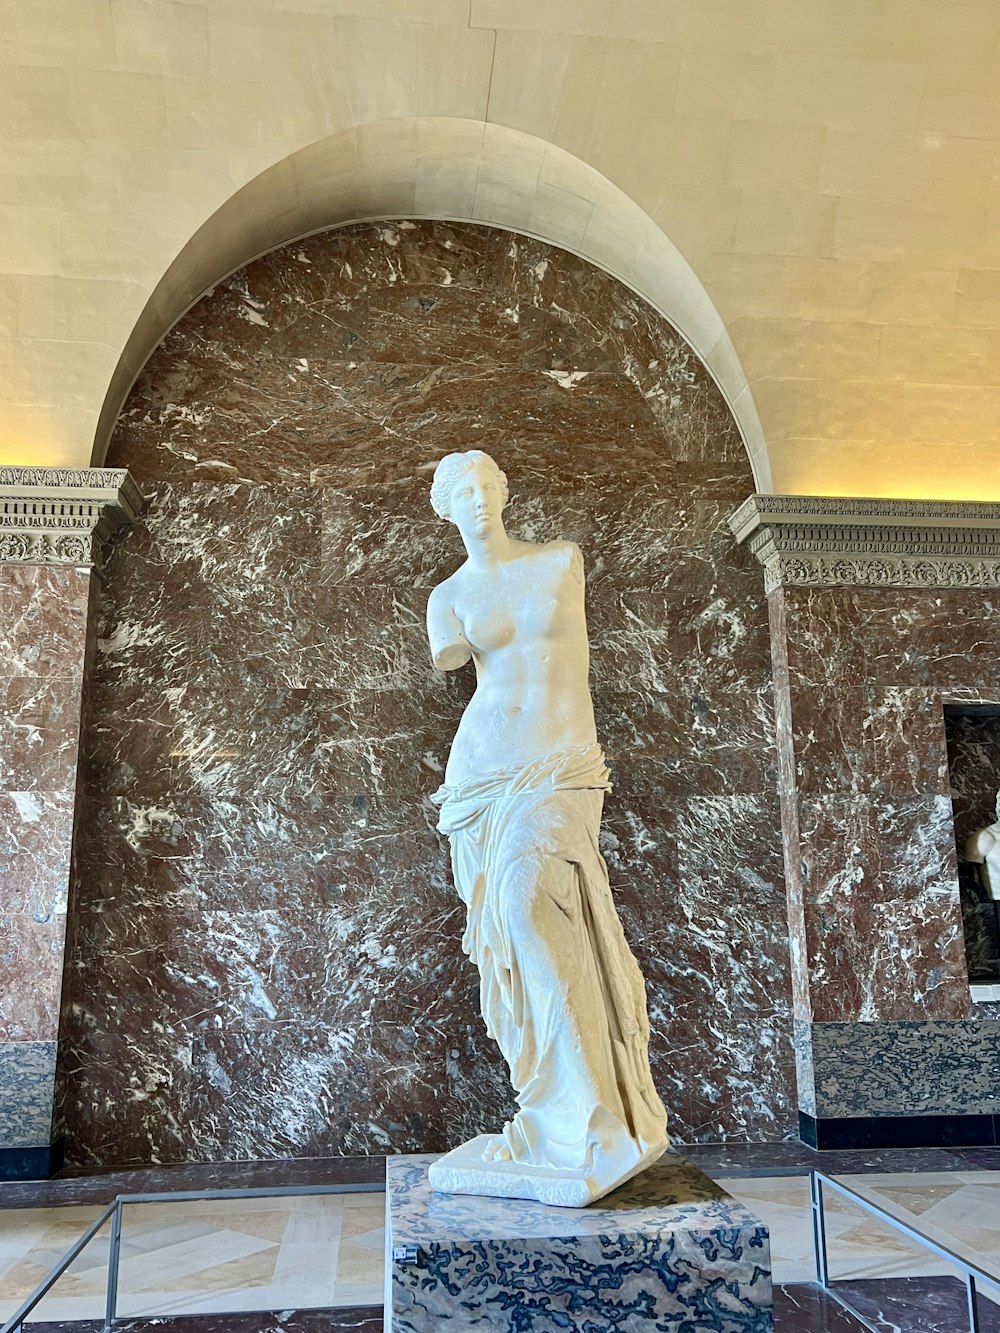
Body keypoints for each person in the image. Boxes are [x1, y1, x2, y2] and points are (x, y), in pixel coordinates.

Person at [425, 449, 668, 1204]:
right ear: (443, 507)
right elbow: (454, 662)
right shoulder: (449, 598)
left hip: (561, 767)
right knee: (512, 920)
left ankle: (597, 1106)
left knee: (531, 904)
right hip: (485, 777)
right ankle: (566, 1107)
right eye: (458, 491)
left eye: (483, 485)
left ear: (502, 491)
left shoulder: (562, 561)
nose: (473, 498)